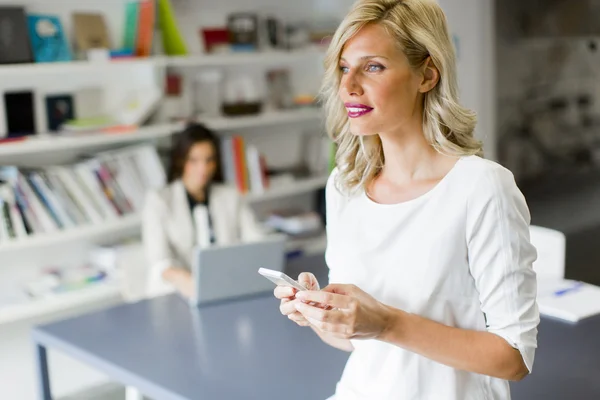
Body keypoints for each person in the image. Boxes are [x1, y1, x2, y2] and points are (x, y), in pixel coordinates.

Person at [273, 1, 539, 399]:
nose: (349, 86)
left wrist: (386, 323)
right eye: (345, 68)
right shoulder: (344, 186)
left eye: (373, 66)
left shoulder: (482, 189)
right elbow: (357, 343)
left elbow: (512, 358)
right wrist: (322, 316)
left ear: (427, 75)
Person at [142, 123, 263, 298]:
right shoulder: (159, 200)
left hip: (226, 287)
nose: (203, 169)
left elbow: (256, 239)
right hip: (178, 293)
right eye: (194, 160)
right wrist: (190, 283)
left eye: (209, 160)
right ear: (181, 160)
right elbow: (159, 261)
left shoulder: (229, 195)